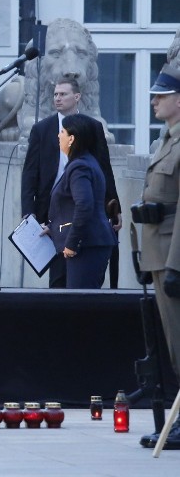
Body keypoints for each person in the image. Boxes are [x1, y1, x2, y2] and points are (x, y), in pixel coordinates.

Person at [21, 76, 119, 288]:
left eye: (63, 94)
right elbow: (30, 175)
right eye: (55, 94)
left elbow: (104, 168)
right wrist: (28, 215)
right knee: (58, 278)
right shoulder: (41, 129)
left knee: (79, 282)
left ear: (77, 97)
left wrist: (114, 208)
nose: (57, 98)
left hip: (83, 216)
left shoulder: (91, 130)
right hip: (52, 211)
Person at [138, 63, 180, 450]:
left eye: (162, 95)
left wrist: (176, 265)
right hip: (157, 251)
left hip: (172, 256)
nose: (154, 100)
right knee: (171, 343)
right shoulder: (166, 140)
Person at [41, 114, 116, 288]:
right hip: (90, 243)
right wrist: (54, 228)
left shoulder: (79, 166)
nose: (59, 136)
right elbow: (71, 209)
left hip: (86, 246)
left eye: (62, 132)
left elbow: (84, 206)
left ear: (72, 138)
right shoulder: (85, 162)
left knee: (81, 306)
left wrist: (72, 243)